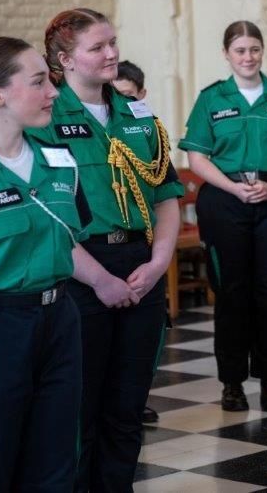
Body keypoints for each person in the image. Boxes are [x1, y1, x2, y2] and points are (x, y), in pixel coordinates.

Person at [31, 7, 184, 491]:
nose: (112, 53)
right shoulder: (46, 120)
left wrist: (159, 262)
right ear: (64, 60)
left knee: (127, 405)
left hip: (140, 266)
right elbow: (43, 214)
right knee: (80, 408)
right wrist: (99, 279)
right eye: (97, 47)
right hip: (81, 271)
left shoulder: (137, 115)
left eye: (113, 42)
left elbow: (165, 196)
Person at [0, 37, 91, 491]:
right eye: (38, 81)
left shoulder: (59, 158)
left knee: (56, 454)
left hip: (58, 318)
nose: (54, 91)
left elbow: (74, 233)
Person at [179, 20, 267, 413]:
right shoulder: (211, 99)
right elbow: (196, 157)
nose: (248, 57)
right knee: (231, 294)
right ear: (227, 55)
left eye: (254, 49)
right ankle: (232, 383)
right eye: (240, 51)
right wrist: (233, 188)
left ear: (262, 51)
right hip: (225, 199)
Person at [110, 59, 161, 425]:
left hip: (140, 248)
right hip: (94, 257)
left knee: (133, 374)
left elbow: (165, 191)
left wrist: (157, 264)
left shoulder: (145, 127)